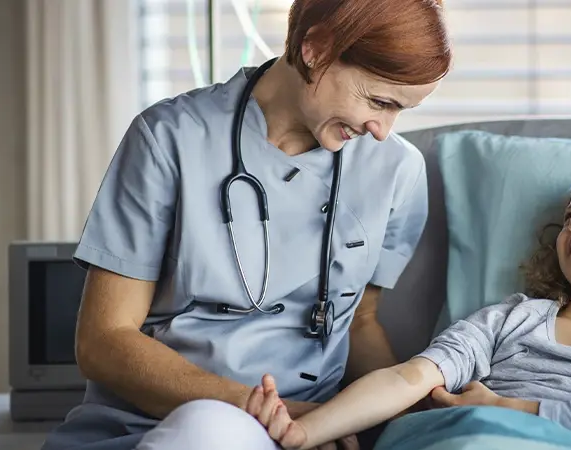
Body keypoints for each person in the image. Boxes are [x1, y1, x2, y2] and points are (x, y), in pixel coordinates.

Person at [39, 1, 450, 449]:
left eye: (400, 110)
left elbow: (359, 324)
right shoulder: (169, 139)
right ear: (316, 48)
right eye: (377, 101)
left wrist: (403, 414)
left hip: (311, 431)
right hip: (162, 424)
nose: (382, 129)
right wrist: (261, 410)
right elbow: (104, 339)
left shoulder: (398, 172)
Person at [242, 153, 571, 449]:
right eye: (569, 215)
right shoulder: (510, 318)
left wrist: (505, 407)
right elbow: (412, 377)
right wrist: (307, 431)